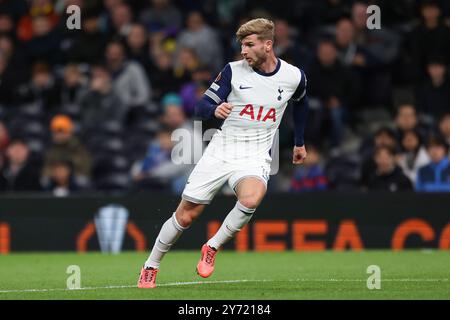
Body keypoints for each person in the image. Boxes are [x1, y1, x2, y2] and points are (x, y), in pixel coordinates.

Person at [137, 18, 309, 288]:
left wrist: (299, 141)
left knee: (251, 199)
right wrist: (214, 110)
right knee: (185, 216)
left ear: (268, 44)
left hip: (255, 155)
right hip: (221, 150)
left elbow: (300, 103)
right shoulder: (233, 71)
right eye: (242, 45)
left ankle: (212, 247)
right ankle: (151, 266)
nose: (244, 51)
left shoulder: (293, 76)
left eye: (249, 45)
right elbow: (200, 107)